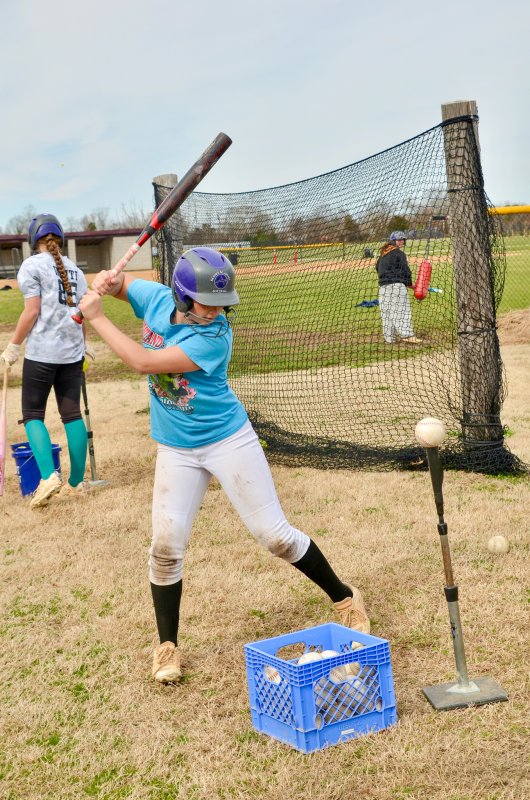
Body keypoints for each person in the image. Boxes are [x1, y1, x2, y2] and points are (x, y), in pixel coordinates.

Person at [79, 247, 370, 684]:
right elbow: (119, 284)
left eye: (222, 303)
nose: (216, 311)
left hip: (226, 440)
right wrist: (106, 280)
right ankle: (167, 646)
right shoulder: (156, 299)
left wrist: (98, 318)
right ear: (181, 296)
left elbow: (142, 362)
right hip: (176, 448)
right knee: (165, 546)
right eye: (206, 302)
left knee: (275, 537)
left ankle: (346, 599)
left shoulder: (215, 337)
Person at [0, 213, 93, 508]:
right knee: (72, 415)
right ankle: (75, 484)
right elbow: (82, 313)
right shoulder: (76, 270)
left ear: (33, 240)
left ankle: (47, 477)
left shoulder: (32, 265)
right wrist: (85, 344)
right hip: (72, 353)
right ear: (60, 238)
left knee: (32, 415)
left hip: (42, 353)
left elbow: (32, 310)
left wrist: (13, 346)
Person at [375, 231, 423, 344]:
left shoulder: (383, 254)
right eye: (399, 240)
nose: (401, 241)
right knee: (402, 310)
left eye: (402, 240)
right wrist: (410, 284)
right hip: (396, 287)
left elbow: (377, 268)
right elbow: (406, 271)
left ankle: (389, 338)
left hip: (383, 288)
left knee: (387, 313)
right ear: (393, 241)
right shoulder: (399, 253)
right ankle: (407, 335)